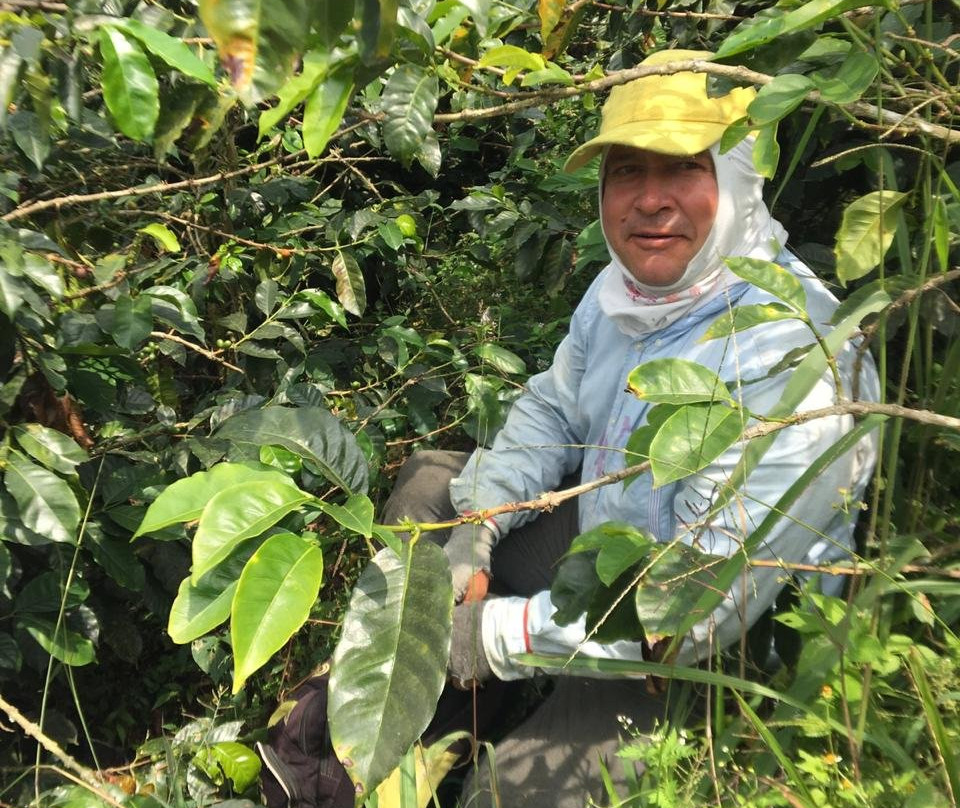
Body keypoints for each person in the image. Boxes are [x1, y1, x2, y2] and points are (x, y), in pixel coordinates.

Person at [381, 48, 879, 807]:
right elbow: (553, 408)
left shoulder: (795, 356)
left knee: (505, 797)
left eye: (683, 168)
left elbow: (697, 606)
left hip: (713, 643)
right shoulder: (621, 291)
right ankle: (425, 729)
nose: (651, 200)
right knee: (430, 493)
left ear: (739, 179)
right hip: (610, 548)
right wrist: (478, 524)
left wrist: (494, 636)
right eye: (626, 171)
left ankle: (502, 702)